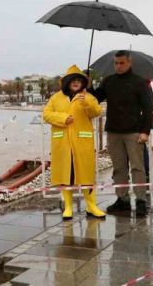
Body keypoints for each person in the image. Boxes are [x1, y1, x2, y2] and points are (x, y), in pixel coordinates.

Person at [93, 50, 153, 216]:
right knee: (119, 169)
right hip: (113, 131)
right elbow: (95, 98)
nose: (118, 66)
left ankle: (141, 200)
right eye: (116, 63)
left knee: (137, 167)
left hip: (134, 132)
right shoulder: (108, 81)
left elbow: (148, 108)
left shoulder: (140, 83)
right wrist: (88, 85)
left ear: (129, 63)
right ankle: (122, 200)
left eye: (121, 63)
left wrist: (145, 131)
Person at [43, 65, 105, 219]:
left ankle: (91, 206)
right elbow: (46, 114)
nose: (76, 83)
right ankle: (68, 207)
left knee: (86, 174)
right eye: (73, 80)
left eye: (79, 80)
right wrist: (63, 118)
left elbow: (96, 112)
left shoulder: (88, 97)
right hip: (63, 143)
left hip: (82, 142)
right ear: (68, 82)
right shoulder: (56, 97)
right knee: (66, 174)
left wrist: (86, 103)